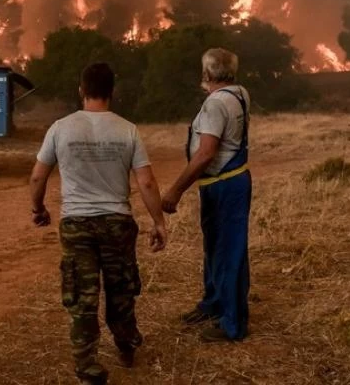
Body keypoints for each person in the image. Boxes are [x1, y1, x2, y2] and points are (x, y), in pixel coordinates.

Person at [29, 62, 167, 385]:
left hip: (77, 224)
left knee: (82, 293)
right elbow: (146, 183)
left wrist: (38, 208)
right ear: (112, 92)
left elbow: (38, 175)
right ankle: (125, 344)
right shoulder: (127, 130)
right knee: (120, 289)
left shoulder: (60, 128)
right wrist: (158, 221)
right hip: (117, 223)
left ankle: (87, 364)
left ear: (81, 90)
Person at [161, 48, 252, 343]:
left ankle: (232, 323)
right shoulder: (240, 93)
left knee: (228, 251)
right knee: (216, 247)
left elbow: (205, 154)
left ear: (207, 74)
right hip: (231, 181)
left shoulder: (215, 104)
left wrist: (175, 190)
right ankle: (213, 303)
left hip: (224, 185)